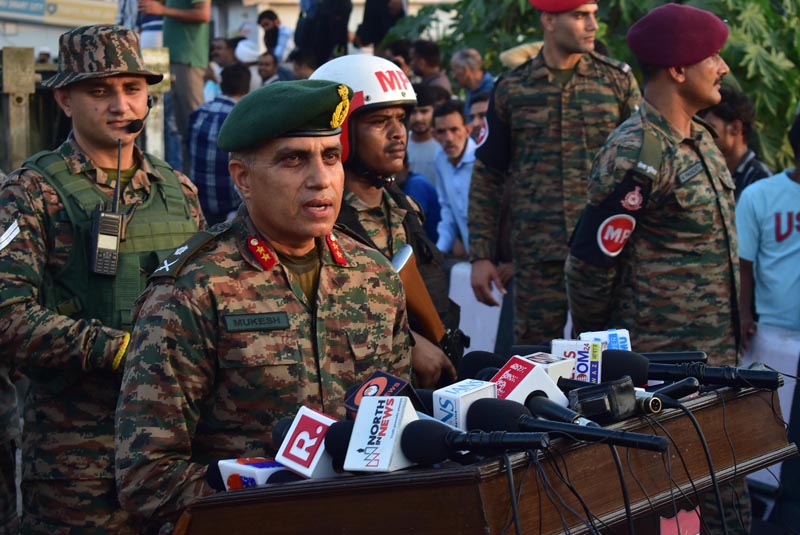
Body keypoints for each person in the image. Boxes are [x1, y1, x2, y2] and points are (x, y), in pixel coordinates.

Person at [115, 80, 412, 531]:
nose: (320, 178)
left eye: (330, 156)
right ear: (243, 178)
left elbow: (392, 429)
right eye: (293, 159)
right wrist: (277, 502)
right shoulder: (193, 290)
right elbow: (148, 477)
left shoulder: (374, 277)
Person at [0, 25, 205, 533]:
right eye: (100, 91)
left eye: (132, 89)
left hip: (172, 447)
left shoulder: (178, 190)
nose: (121, 105)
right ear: (65, 100)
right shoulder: (29, 192)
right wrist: (115, 349)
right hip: (78, 456)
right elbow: (7, 316)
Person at [564, 5, 749, 533]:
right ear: (677, 69)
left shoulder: (703, 142)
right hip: (663, 376)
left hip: (714, 367)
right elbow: (591, 265)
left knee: (727, 500)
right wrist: (611, 360)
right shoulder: (638, 153)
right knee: (673, 511)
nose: (723, 67)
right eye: (711, 56)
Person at [469, 0, 641, 345]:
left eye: (593, 14)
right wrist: (481, 255)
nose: (593, 25)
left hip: (602, 253)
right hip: (537, 256)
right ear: (548, 19)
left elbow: (640, 171)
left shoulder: (616, 82)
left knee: (603, 358)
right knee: (535, 360)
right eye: (580, 16)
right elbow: (488, 175)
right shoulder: (512, 88)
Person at [310, 55, 462, 388]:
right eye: (379, 121)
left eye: (399, 119)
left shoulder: (405, 207)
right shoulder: (318, 220)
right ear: (341, 131)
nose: (397, 133)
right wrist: (407, 344)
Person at [736, 114, 800, 525]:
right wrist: (743, 313)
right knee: (766, 445)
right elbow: (745, 264)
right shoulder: (761, 195)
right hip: (773, 337)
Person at [139, 0, 211, 173]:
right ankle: (187, 177)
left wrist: (162, 9)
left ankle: (198, 179)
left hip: (186, 60)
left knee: (192, 125)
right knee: (176, 127)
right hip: (168, 59)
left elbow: (203, 14)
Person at [189, 63, 251, 225]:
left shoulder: (199, 113)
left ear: (221, 84)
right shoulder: (242, 119)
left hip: (199, 204)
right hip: (230, 210)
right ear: (247, 89)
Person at [700, 84, 773, 201]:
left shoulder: (762, 179)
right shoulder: (703, 171)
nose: (702, 135)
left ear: (735, 128)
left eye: (710, 127)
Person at [432, 100, 476, 259]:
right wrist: (440, 251)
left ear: (467, 130)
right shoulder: (439, 158)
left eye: (454, 129)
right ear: (434, 135)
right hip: (472, 257)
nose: (449, 138)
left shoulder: (482, 160)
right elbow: (448, 210)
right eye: (441, 131)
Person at [407, 83, 445, 185]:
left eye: (424, 111)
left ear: (434, 110)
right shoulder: (400, 144)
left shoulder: (444, 144)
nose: (418, 118)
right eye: (413, 112)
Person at [396, 157, 441, 244]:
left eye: (396, 168)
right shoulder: (402, 185)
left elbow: (414, 225)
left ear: (406, 166)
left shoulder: (416, 184)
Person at [450, 48, 496, 117]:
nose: (454, 76)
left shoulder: (494, 89)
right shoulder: (470, 90)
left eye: (454, 70)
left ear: (466, 70)